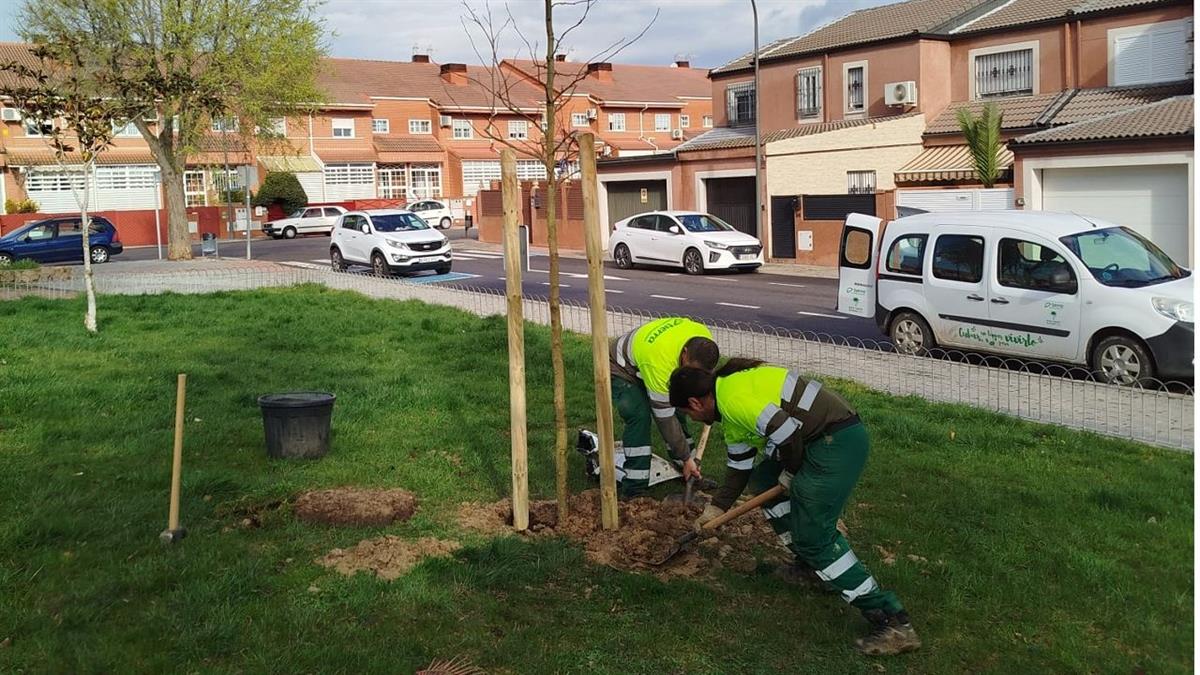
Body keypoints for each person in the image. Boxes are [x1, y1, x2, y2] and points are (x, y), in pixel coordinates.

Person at [669, 359, 920, 656]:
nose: (694, 420)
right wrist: (717, 508)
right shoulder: (726, 403)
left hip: (836, 440)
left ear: (696, 403)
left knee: (814, 538)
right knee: (763, 480)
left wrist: (791, 471)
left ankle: (892, 620)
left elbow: (786, 432)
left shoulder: (734, 399)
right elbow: (739, 467)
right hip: (817, 439)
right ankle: (812, 569)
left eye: (687, 413)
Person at [601, 317, 719, 498]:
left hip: (649, 358)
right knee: (639, 415)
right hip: (622, 367)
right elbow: (664, 419)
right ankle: (634, 488)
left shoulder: (703, 339)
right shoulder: (659, 362)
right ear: (685, 353)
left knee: (680, 408)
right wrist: (687, 457)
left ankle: (689, 472)